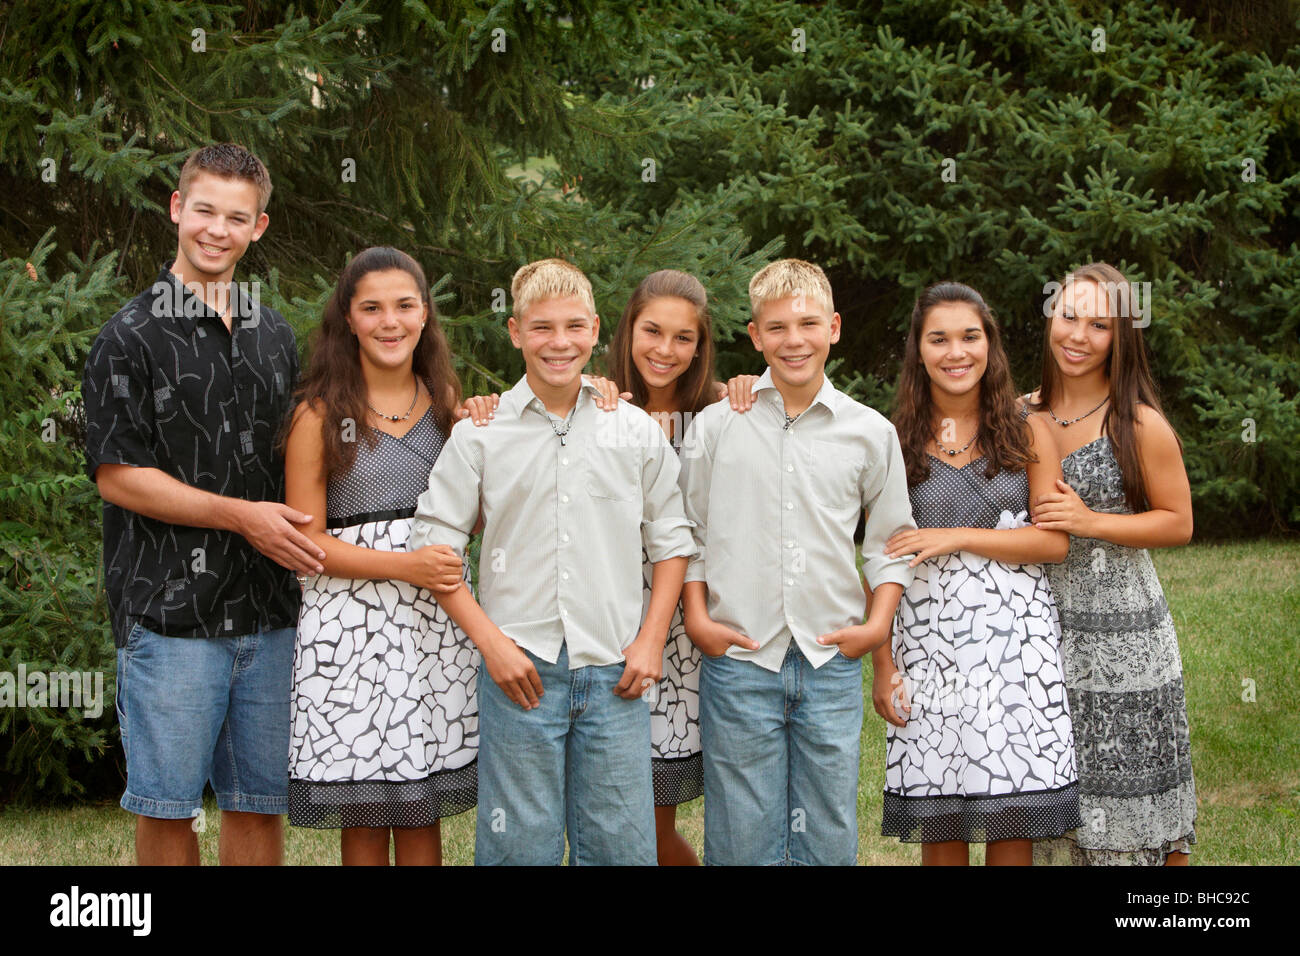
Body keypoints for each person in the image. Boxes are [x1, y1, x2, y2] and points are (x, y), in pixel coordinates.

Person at [409, 258, 695, 865]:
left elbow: (672, 542)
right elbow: (436, 551)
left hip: (615, 667)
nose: (558, 343)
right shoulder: (480, 434)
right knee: (519, 846)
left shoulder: (635, 430)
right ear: (515, 333)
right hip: (520, 669)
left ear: (595, 331)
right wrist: (493, 644)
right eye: (541, 328)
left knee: (621, 845)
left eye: (572, 327)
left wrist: (649, 642)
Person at [82, 143, 317, 865]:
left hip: (269, 613)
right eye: (205, 210)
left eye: (236, 217)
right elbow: (118, 475)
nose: (217, 229)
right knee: (168, 808)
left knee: (256, 805)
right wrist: (241, 515)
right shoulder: (129, 336)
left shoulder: (274, 333)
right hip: (170, 614)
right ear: (178, 209)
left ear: (259, 227)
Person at [679, 258, 916, 866]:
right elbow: (689, 532)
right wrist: (698, 618)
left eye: (808, 323)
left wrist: (876, 625)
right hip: (740, 655)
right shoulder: (714, 427)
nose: (794, 340)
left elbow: (889, 543)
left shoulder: (869, 433)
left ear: (833, 327)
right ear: (755, 337)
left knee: (828, 824)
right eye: (776, 327)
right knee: (741, 826)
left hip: (830, 654)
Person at [872, 281, 1081, 865]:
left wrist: (956, 537)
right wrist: (883, 665)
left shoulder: (1027, 428)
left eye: (970, 336)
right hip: (927, 649)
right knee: (942, 819)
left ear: (990, 344)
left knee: (1011, 812)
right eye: (938, 339)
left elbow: (1052, 541)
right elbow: (878, 560)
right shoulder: (891, 440)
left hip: (1017, 649)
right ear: (918, 350)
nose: (956, 352)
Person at [281, 247, 479, 865]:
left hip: (435, 628)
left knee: (421, 808)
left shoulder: (446, 402)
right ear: (348, 318)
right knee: (364, 808)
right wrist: (404, 567)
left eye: (403, 306)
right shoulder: (318, 414)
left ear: (425, 315)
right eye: (371, 308)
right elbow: (305, 543)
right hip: (350, 628)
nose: (389, 322)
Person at [1027, 262, 1197, 866]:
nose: (1078, 335)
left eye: (1099, 324)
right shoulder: (1021, 415)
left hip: (1128, 637)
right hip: (1044, 634)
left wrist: (1088, 522)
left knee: (1137, 797)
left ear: (1120, 336)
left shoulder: (1139, 423)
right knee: (1060, 794)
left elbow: (1178, 522)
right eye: (1069, 316)